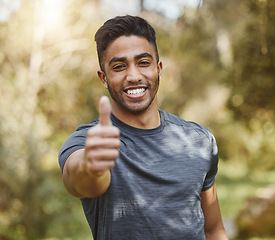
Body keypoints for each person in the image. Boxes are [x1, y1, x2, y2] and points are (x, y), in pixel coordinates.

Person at [58, 15, 228, 240]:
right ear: (104, 78)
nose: (133, 76)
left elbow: (214, 229)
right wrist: (91, 167)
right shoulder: (90, 142)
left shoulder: (200, 141)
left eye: (143, 63)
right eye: (119, 67)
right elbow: (79, 180)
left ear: (158, 68)